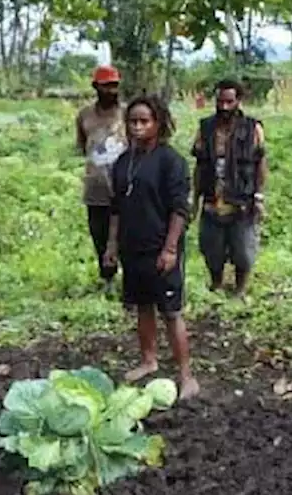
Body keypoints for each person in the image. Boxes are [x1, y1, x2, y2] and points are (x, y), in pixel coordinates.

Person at [104, 95, 199, 400]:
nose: (137, 127)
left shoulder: (171, 161)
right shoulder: (122, 163)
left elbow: (179, 210)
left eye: (144, 121)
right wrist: (112, 246)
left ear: (158, 124)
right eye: (133, 121)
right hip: (133, 249)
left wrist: (170, 249)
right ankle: (148, 360)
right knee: (143, 307)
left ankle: (186, 375)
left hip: (161, 248)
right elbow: (116, 208)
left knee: (171, 312)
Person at [191, 79, 268, 297]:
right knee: (211, 250)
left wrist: (259, 197)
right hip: (212, 200)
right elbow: (199, 165)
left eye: (229, 101)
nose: (224, 106)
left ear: (238, 101)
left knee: (243, 251)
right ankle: (216, 285)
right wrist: (194, 200)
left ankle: (240, 291)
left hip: (242, 201)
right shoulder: (205, 128)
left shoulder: (252, 128)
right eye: (220, 101)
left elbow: (260, 163)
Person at [75, 65, 126, 295]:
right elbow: (82, 146)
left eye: (114, 85)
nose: (111, 90)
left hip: (126, 187)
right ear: (96, 87)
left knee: (128, 236)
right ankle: (108, 281)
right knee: (100, 236)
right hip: (96, 189)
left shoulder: (127, 114)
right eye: (106, 86)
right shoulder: (84, 116)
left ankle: (131, 282)